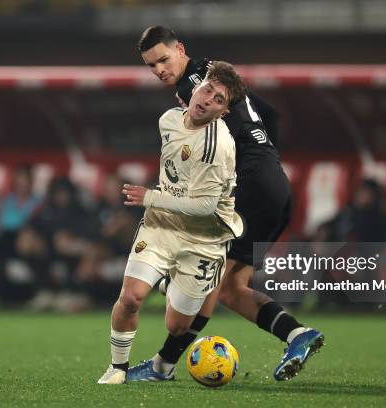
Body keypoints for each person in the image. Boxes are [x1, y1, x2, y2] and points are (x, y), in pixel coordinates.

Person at [127, 26, 323, 382]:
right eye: (151, 65)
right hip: (274, 184)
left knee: (203, 280)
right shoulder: (221, 78)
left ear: (180, 49)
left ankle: (162, 366)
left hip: (247, 188)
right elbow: (272, 116)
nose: (158, 70)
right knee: (232, 289)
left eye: (163, 59)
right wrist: (265, 162)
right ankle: (298, 335)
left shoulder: (194, 89)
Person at [97, 61, 245, 384]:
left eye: (219, 100)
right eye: (207, 89)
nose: (208, 99)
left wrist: (150, 197)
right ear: (195, 88)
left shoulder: (217, 146)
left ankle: (168, 280)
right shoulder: (168, 121)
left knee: (176, 326)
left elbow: (205, 207)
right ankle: (117, 369)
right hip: (162, 224)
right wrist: (157, 202)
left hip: (204, 238)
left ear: (224, 113)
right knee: (131, 297)